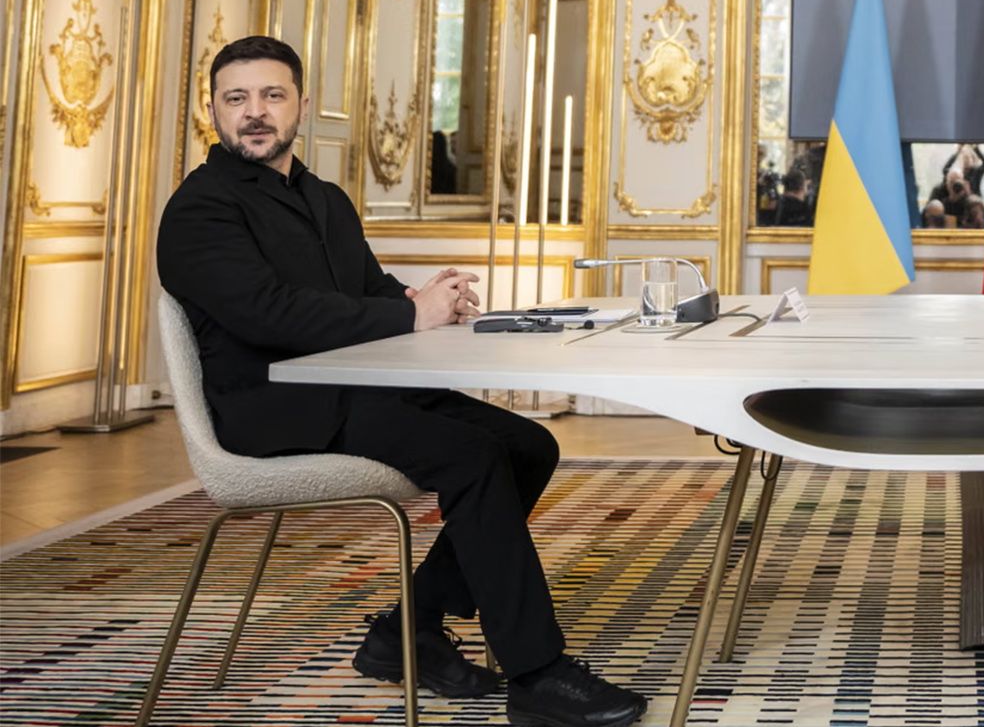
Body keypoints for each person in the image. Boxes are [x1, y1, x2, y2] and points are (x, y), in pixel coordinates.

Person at [156, 36, 646, 727]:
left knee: (529, 445)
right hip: (274, 406)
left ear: (300, 104)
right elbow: (271, 312)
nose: (255, 112)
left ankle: (405, 630)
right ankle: (537, 675)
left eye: (272, 95)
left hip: (353, 387)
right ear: (212, 110)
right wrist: (407, 313)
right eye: (237, 98)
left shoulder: (324, 199)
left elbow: (365, 290)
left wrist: (425, 297)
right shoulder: (198, 209)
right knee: (471, 456)